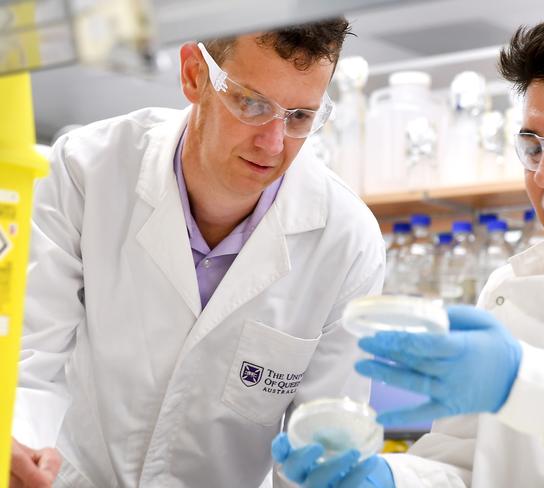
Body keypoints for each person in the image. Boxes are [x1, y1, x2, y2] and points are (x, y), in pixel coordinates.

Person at [272, 4, 544, 487]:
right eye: (533, 146)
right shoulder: (512, 286)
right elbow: (466, 467)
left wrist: (523, 383)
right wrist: (385, 478)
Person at [10, 18, 386, 487]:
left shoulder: (347, 241)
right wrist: (21, 450)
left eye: (300, 117)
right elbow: (27, 359)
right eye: (252, 103)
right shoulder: (86, 169)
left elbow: (324, 451)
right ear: (193, 74)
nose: (272, 144)